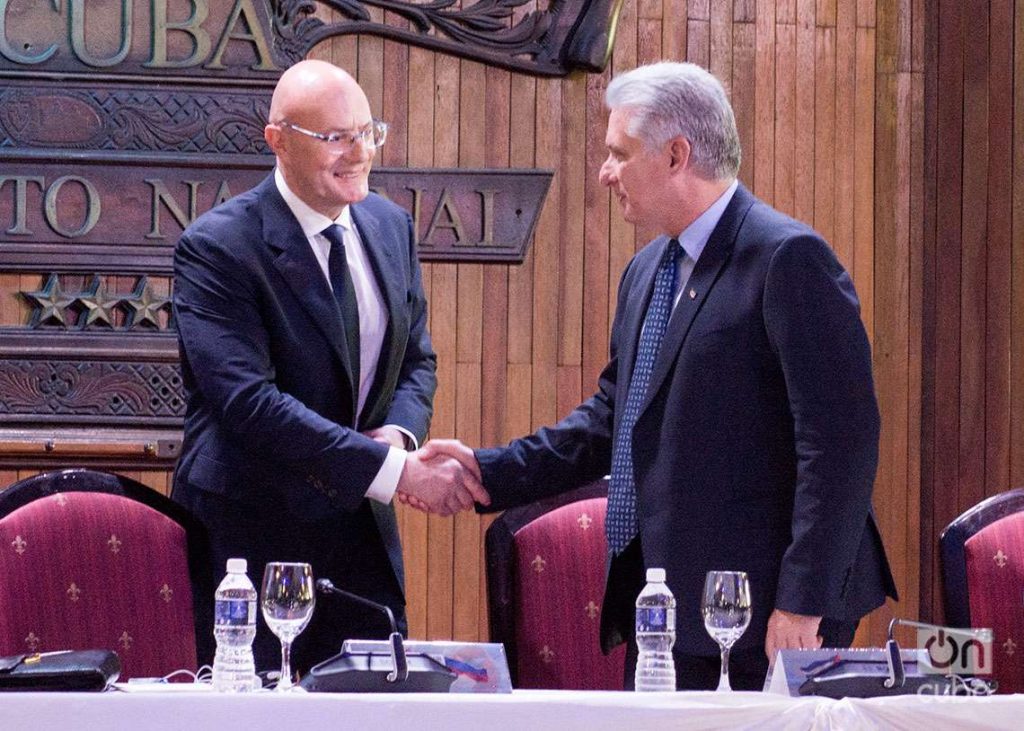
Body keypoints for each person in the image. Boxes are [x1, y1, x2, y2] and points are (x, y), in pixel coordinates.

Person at [419, 61, 898, 690]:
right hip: (664, 606)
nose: (605, 172)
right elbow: (614, 418)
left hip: (764, 613)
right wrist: (488, 471)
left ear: (676, 154)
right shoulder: (648, 270)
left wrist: (803, 602)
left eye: (620, 153)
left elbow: (841, 446)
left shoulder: (788, 259)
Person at [172, 59, 486, 675]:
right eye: (335, 138)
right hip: (254, 540)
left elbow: (416, 358)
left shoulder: (389, 226)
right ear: (277, 140)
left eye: (369, 132)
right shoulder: (217, 247)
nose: (359, 152)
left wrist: (397, 435)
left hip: (362, 541)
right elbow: (248, 404)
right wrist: (393, 471)